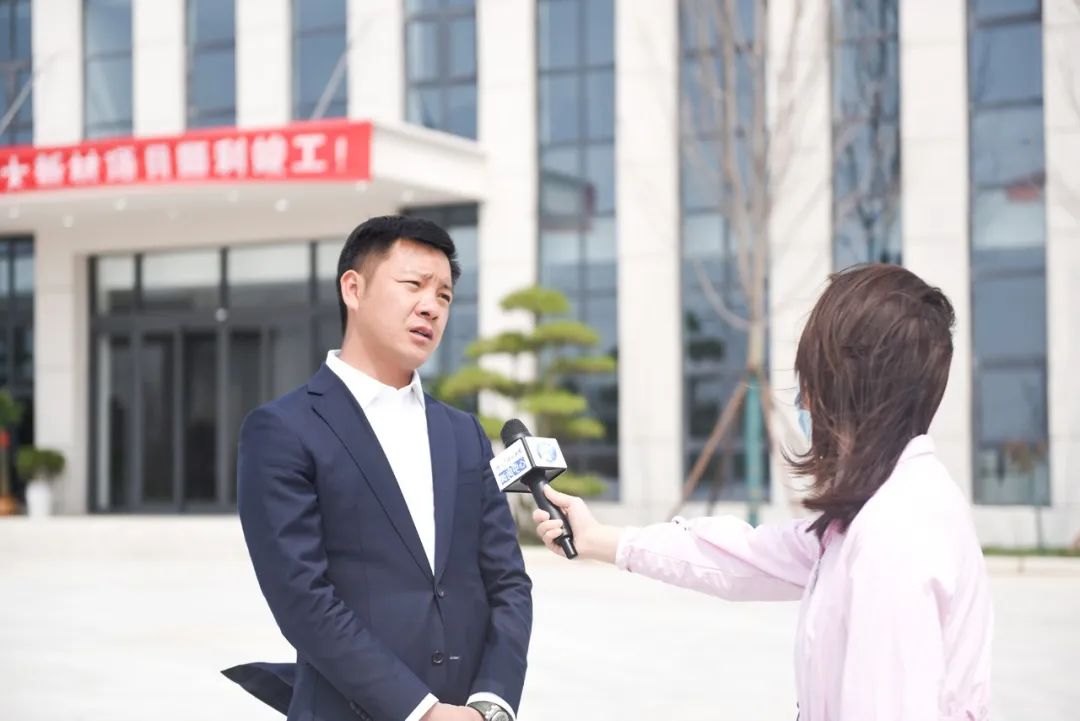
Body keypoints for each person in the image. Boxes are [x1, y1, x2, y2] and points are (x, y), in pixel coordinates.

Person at [533, 264, 992, 720]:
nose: (803, 400)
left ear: (847, 384)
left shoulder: (894, 535)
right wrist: (602, 540)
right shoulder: (884, 510)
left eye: (812, 376)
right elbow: (745, 556)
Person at [226, 215, 532, 721]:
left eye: (444, 295)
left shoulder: (463, 433)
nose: (431, 306)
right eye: (413, 285)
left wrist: (491, 703)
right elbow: (302, 598)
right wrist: (423, 712)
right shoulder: (282, 429)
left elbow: (508, 581)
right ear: (354, 288)